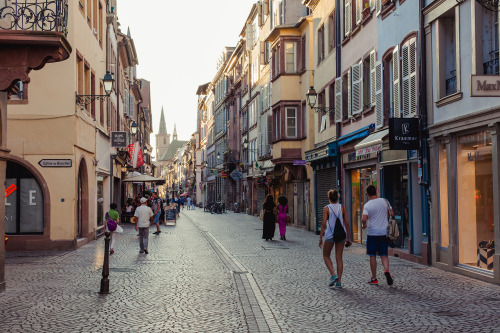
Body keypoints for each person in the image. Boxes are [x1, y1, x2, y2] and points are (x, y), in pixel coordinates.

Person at [362, 185, 394, 286]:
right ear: (376, 191)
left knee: (372, 255)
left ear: (367, 194)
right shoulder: (385, 201)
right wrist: (385, 216)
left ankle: (374, 278)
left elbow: (364, 218)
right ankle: (386, 270)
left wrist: (364, 224)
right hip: (384, 232)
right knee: (384, 254)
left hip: (372, 233)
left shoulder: (367, 205)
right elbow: (391, 213)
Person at [319, 190, 351, 288]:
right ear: (338, 197)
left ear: (329, 198)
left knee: (326, 255)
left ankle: (333, 275)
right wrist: (348, 237)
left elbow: (324, 224)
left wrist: (320, 237)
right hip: (341, 235)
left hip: (330, 235)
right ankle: (339, 282)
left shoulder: (326, 208)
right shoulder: (342, 207)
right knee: (339, 258)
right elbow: (346, 223)